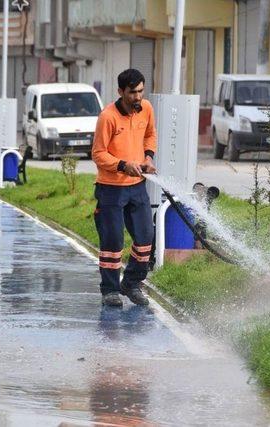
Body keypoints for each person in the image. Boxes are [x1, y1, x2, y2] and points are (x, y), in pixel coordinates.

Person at [91, 68, 157, 307]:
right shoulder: (107, 117)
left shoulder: (146, 109)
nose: (138, 97)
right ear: (121, 92)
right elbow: (98, 154)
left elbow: (150, 135)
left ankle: (131, 283)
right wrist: (121, 165)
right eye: (132, 92)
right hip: (111, 189)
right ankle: (110, 290)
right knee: (112, 242)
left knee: (146, 238)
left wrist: (148, 158)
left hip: (137, 187)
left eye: (140, 91)